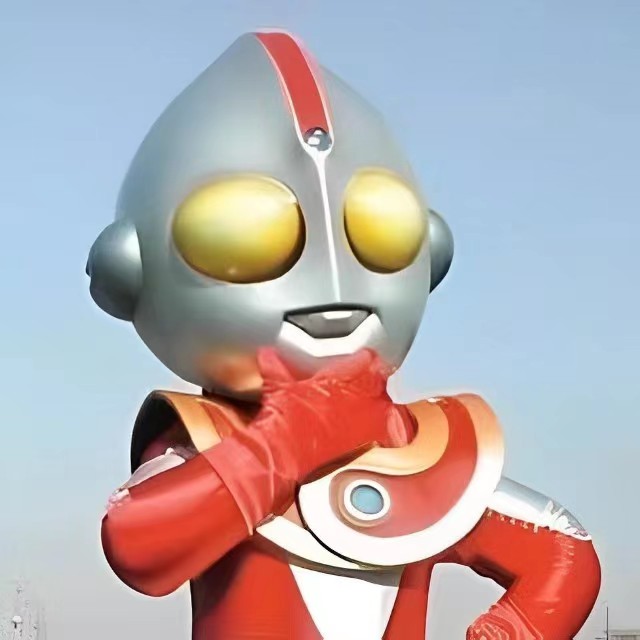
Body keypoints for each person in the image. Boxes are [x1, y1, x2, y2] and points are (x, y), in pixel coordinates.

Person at [87, 30, 601, 639]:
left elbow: (563, 553)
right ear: (132, 271)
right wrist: (287, 443)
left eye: (381, 227)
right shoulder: (205, 442)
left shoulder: (419, 451)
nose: (331, 271)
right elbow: (140, 545)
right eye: (241, 233)